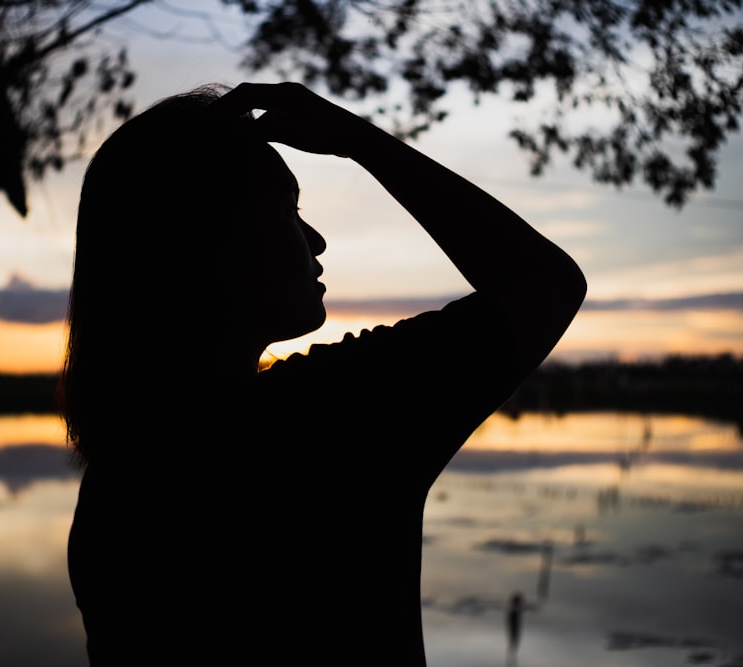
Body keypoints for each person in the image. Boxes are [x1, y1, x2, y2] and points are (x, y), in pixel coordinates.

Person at [60, 81, 586, 665]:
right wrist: (356, 140)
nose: (316, 238)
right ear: (207, 241)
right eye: (286, 209)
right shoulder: (331, 416)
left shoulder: (116, 485)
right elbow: (546, 284)